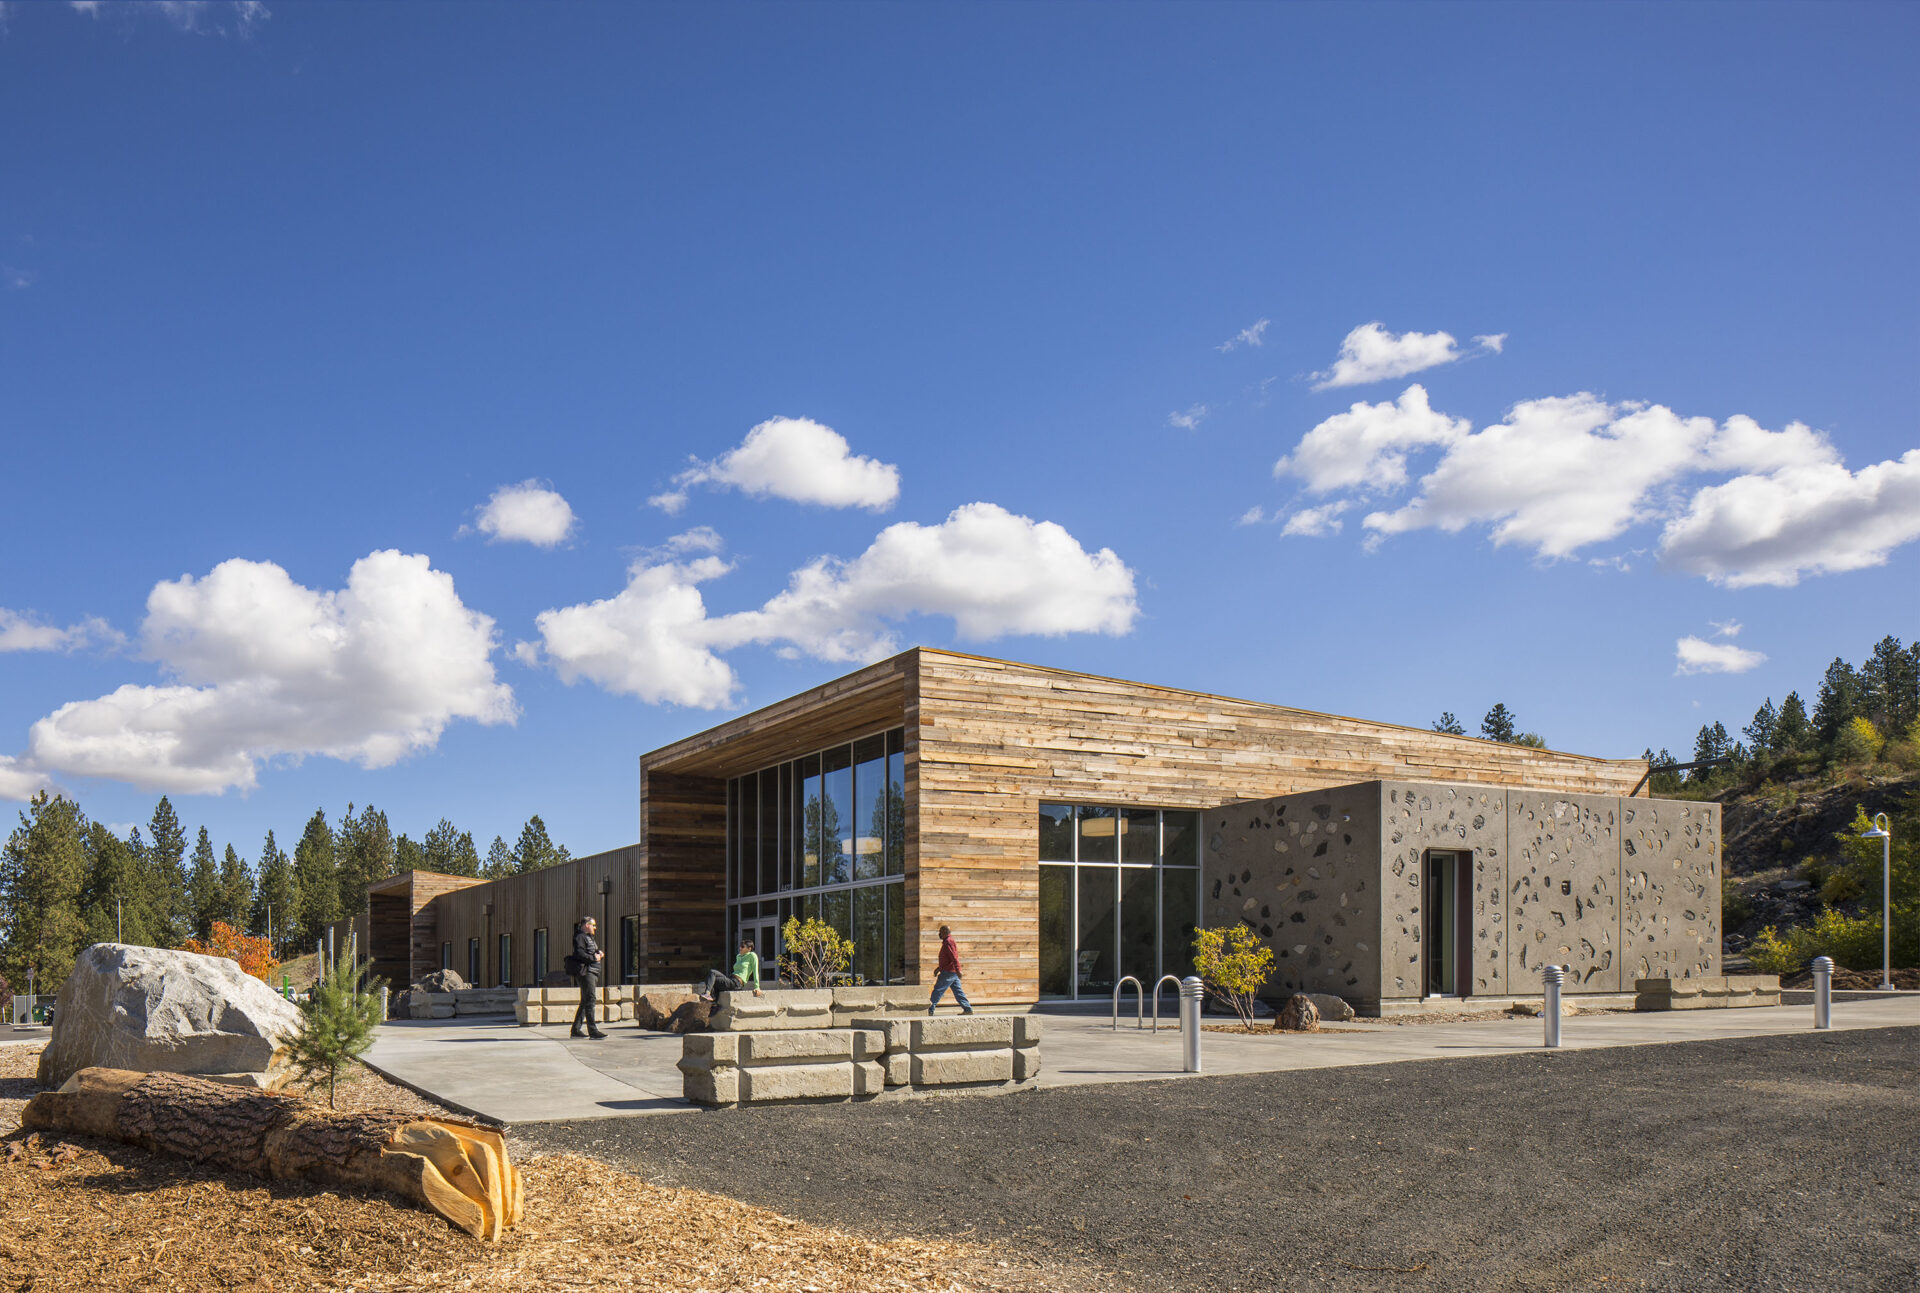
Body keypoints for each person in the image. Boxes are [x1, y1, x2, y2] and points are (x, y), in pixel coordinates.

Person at [698, 935, 766, 1003]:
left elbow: (755, 971)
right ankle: (712, 998)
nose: (740, 948)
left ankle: (709, 996)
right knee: (711, 975)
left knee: (712, 976)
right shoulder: (738, 956)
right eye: (740, 946)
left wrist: (757, 987)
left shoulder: (752, 955)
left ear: (749, 949)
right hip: (731, 979)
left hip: (737, 983)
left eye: (742, 946)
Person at [570, 915, 607, 1039]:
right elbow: (579, 953)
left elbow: (589, 952)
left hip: (593, 971)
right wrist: (593, 958)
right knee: (590, 999)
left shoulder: (589, 937)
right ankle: (593, 1031)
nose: (595, 928)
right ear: (587, 925)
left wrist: (599, 954)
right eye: (593, 925)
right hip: (586, 972)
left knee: (586, 1000)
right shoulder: (580, 937)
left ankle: (576, 1030)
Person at [928, 924, 973, 1015]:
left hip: (948, 972)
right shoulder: (947, 941)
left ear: (945, 932)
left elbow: (953, 956)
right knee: (958, 991)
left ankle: (930, 1009)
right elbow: (947, 959)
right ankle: (967, 1009)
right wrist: (939, 968)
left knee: (938, 990)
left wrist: (958, 969)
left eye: (940, 932)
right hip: (951, 971)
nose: (939, 934)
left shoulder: (948, 941)